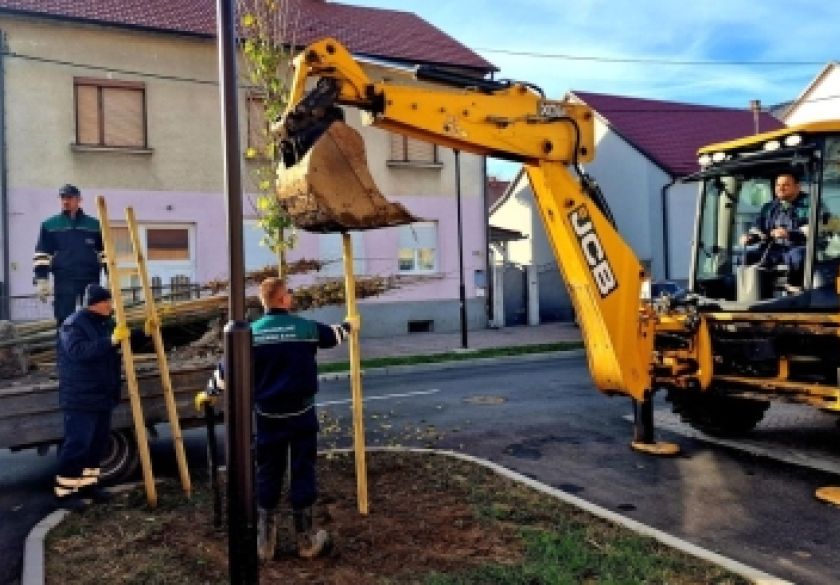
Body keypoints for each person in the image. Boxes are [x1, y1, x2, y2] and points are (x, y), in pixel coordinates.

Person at [203, 277, 354, 561]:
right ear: (283, 299)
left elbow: (224, 373)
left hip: (267, 416)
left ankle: (265, 544)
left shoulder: (250, 333)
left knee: (267, 472)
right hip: (301, 415)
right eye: (290, 293)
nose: (292, 296)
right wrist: (349, 325)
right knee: (302, 470)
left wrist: (209, 392)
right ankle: (306, 540)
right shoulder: (305, 328)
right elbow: (334, 336)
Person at [53, 284, 138, 511]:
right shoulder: (73, 324)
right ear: (95, 304)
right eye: (107, 302)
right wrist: (110, 341)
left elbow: (121, 338)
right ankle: (64, 493)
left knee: (97, 445)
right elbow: (79, 352)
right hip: (81, 397)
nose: (110, 305)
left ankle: (88, 485)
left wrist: (146, 332)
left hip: (101, 395)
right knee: (78, 444)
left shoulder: (103, 322)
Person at [33, 184, 106, 326]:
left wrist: (109, 275)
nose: (65, 201)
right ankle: (64, 341)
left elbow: (105, 252)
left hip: (90, 279)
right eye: (63, 198)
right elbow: (42, 254)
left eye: (69, 198)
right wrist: (41, 279)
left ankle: (91, 341)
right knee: (64, 319)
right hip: (64, 280)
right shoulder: (50, 225)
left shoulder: (95, 225)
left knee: (93, 317)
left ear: (79, 200)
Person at [739, 173, 810, 287]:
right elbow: (759, 229)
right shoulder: (769, 207)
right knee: (745, 257)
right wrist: (750, 237)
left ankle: (796, 287)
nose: (780, 188)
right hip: (774, 249)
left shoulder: (811, 204)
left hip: (797, 247)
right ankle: (754, 289)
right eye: (778, 185)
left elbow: (817, 230)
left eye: (786, 185)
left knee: (798, 256)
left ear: (797, 187)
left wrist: (788, 234)